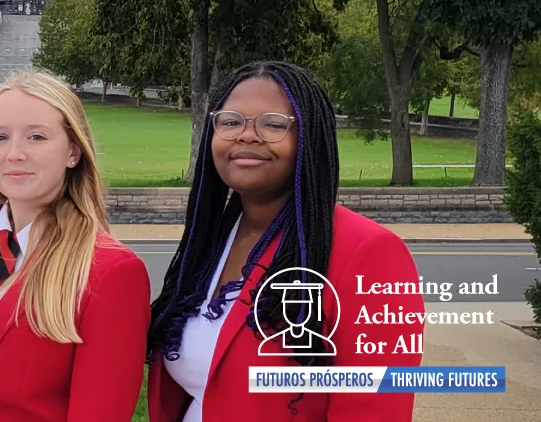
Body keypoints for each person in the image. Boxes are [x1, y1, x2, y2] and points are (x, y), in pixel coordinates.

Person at [146, 61, 426, 422]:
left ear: (309, 139)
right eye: (231, 121)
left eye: (273, 124)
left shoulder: (370, 252)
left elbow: (373, 410)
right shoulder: (210, 242)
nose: (247, 135)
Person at [0, 71, 151, 422]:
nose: (14, 154)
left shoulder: (110, 272)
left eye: (36, 137)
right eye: (0, 137)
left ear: (73, 152)